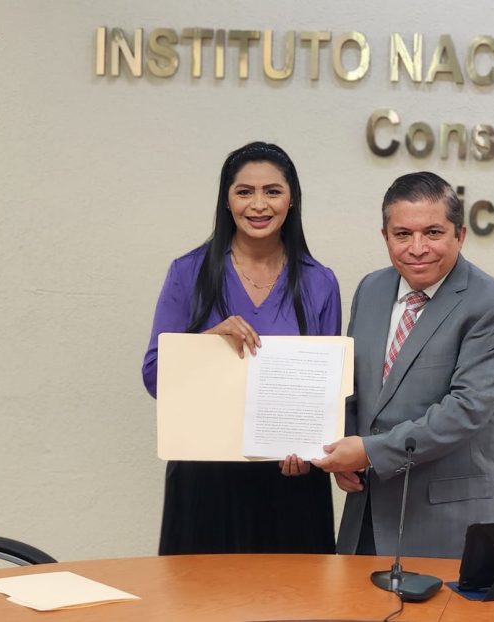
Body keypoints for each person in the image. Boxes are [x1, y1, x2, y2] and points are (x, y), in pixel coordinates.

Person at [143, 141, 341, 555]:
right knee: (198, 593)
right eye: (245, 191)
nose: (259, 204)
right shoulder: (188, 272)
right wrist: (207, 344)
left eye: (273, 191)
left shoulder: (320, 281)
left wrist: (310, 451)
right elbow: (155, 376)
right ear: (227, 200)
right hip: (204, 476)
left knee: (294, 594)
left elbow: (328, 391)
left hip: (292, 480)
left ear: (291, 200)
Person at [312, 171, 494, 558]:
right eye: (403, 234)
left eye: (433, 232)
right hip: (367, 515)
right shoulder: (371, 289)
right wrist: (341, 449)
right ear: (385, 237)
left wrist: (369, 452)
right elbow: (353, 385)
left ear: (460, 235)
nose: (417, 248)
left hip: (447, 524)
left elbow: (465, 411)